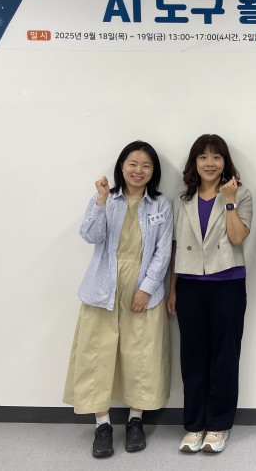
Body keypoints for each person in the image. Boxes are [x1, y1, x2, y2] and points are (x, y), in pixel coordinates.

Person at [63, 140, 173, 458]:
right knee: (97, 353)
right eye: (132, 164)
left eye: (146, 165)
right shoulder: (106, 199)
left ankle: (136, 420)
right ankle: (102, 425)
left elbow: (163, 250)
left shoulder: (161, 205)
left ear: (153, 171)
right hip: (103, 287)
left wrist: (147, 288)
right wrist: (100, 200)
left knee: (141, 353)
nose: (138, 170)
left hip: (143, 287)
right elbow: (90, 235)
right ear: (122, 166)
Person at [167, 134, 253, 454]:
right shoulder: (183, 199)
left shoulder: (241, 194)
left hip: (227, 283)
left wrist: (229, 200)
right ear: (195, 162)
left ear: (225, 162)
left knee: (224, 357)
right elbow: (177, 247)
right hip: (189, 285)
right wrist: (172, 289)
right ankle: (194, 426)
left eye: (216, 157)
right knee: (192, 357)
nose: (210, 163)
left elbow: (237, 237)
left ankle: (218, 426)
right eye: (203, 157)